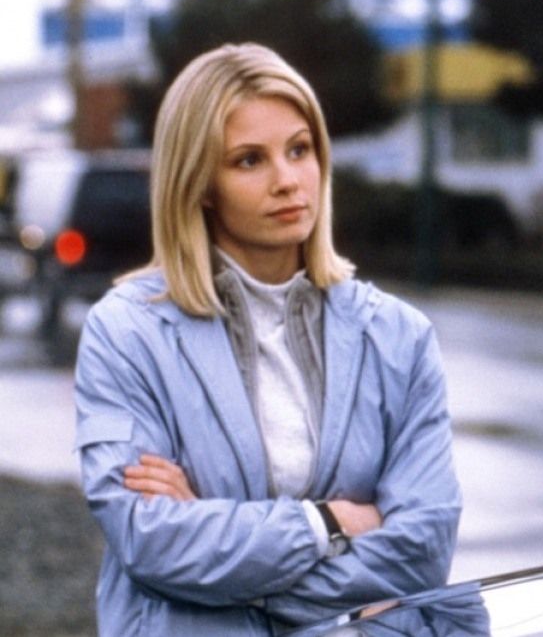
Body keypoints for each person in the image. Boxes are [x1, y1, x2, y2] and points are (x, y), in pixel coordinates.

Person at [73, 43, 461, 634]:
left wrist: (220, 562)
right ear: (200, 182)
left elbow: (421, 552)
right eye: (249, 160)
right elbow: (148, 540)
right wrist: (329, 524)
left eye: (299, 150)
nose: (287, 180)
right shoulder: (127, 332)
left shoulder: (399, 337)